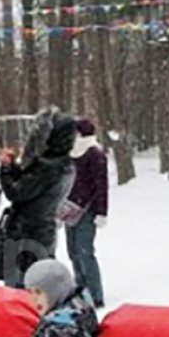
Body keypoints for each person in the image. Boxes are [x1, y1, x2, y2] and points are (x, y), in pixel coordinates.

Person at [0, 110, 77, 337]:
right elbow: (31, 190)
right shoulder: (65, 165)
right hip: (42, 235)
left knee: (24, 307)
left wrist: (7, 169)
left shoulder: (47, 166)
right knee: (38, 303)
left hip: (26, 237)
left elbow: (17, 193)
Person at [63, 118, 108, 308]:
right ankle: (81, 288)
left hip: (87, 210)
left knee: (85, 251)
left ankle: (95, 294)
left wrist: (101, 212)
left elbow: (101, 185)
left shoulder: (95, 154)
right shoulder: (69, 154)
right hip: (68, 208)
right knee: (73, 251)